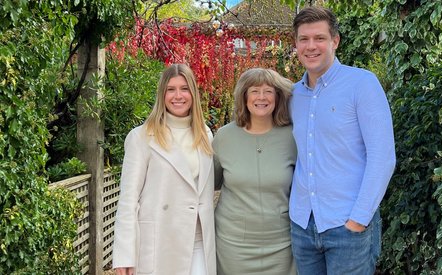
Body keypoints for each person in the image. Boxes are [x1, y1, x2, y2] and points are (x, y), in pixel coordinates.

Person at [289, 7, 396, 275]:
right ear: (296, 44)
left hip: (347, 228)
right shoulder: (293, 95)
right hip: (303, 226)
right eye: (304, 39)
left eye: (319, 38)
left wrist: (358, 220)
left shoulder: (362, 84)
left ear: (335, 41)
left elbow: (382, 158)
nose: (311, 46)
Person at [112, 64, 216, 275]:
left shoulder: (205, 134)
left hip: (199, 240)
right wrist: (124, 255)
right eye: (171, 89)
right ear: (162, 94)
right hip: (160, 241)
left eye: (184, 88)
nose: (178, 96)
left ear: (193, 93)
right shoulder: (141, 137)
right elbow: (128, 200)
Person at [213, 68, 297, 275]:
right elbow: (210, 184)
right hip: (232, 245)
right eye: (254, 91)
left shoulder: (293, 137)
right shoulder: (223, 137)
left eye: (268, 91)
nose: (261, 97)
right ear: (244, 96)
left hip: (282, 244)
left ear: (278, 97)